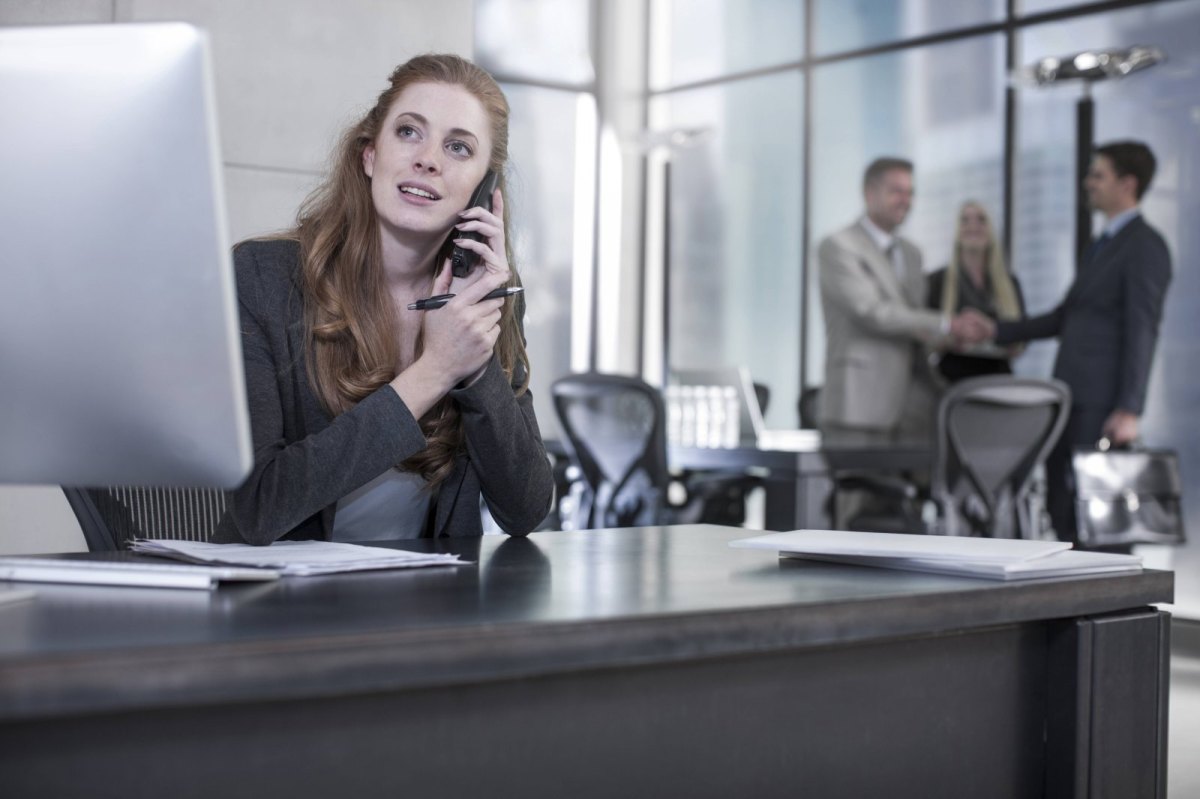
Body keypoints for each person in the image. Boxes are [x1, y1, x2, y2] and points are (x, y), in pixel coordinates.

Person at [214, 54, 554, 545]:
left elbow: (525, 509)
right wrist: (435, 370)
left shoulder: (485, 296)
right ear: (370, 155)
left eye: (458, 147)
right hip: (277, 608)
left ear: (484, 190)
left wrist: (474, 364)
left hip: (421, 608)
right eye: (409, 132)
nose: (429, 159)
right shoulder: (262, 278)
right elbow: (261, 508)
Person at [961, 141, 1172, 545]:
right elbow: (1066, 317)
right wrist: (995, 330)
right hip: (1070, 396)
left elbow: (1143, 327)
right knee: (1064, 506)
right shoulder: (1100, 247)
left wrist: (1130, 407)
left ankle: (1107, 603)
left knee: (1100, 518)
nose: (1088, 183)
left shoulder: (1145, 246)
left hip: (1104, 404)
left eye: (1098, 175)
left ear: (1127, 184)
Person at [817, 157, 989, 448]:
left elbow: (911, 321)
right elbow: (872, 313)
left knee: (904, 491)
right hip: (860, 402)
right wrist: (947, 323)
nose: (905, 200)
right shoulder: (838, 246)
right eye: (896, 191)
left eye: (910, 192)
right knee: (858, 491)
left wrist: (946, 339)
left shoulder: (911, 254)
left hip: (914, 405)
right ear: (869, 193)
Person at [926, 200, 1025, 382]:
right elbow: (925, 331)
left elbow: (1023, 337)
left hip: (998, 380)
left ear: (991, 230)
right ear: (957, 231)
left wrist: (993, 332)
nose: (973, 226)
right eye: (965, 220)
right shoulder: (937, 281)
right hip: (951, 381)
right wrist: (953, 334)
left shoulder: (1010, 282)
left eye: (981, 220)